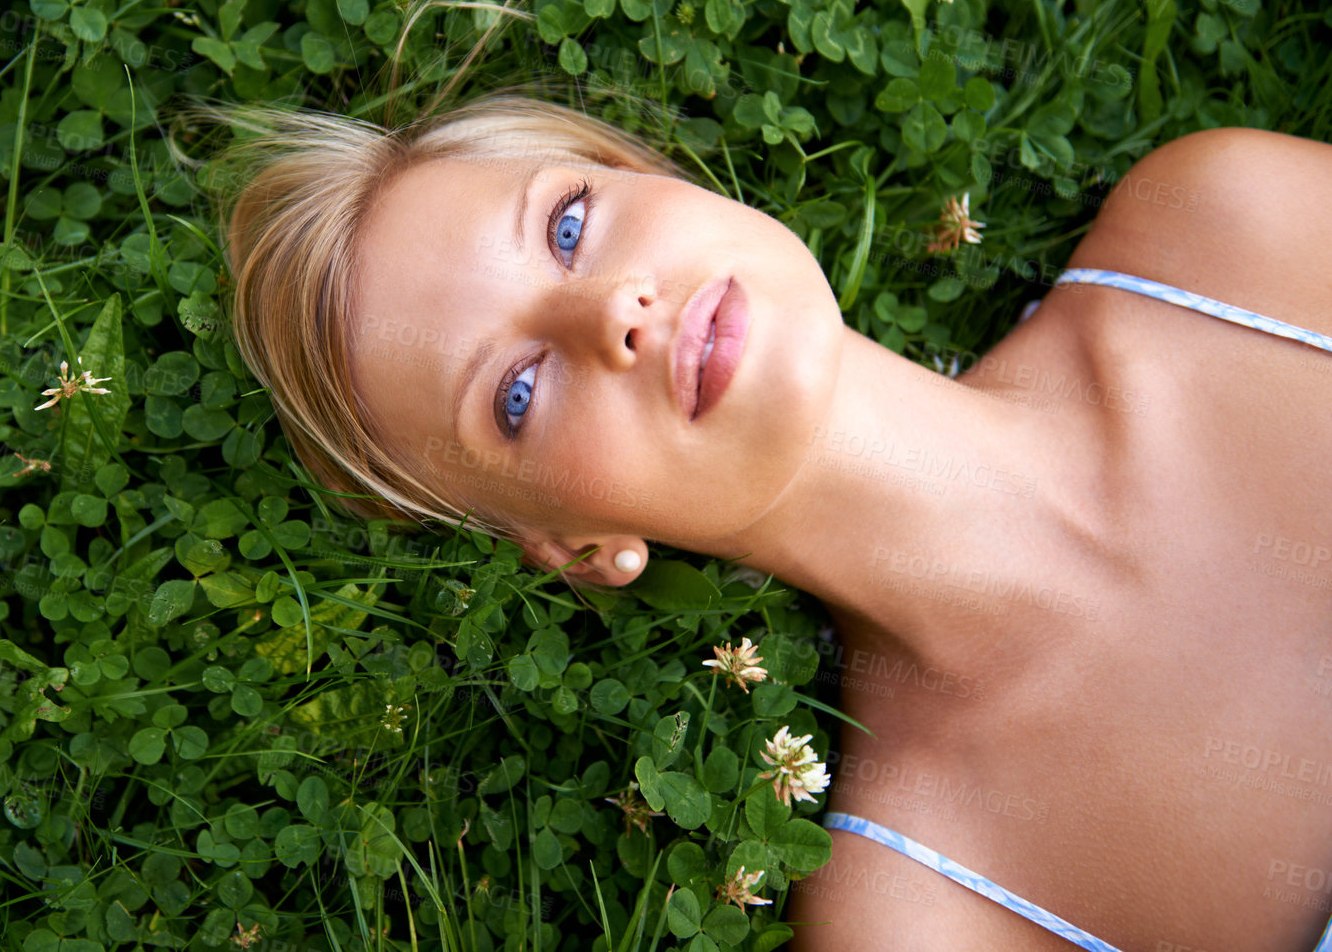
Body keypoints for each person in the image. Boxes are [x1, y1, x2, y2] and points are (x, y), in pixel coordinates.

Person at [202, 90, 1332, 951]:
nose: (611, 311)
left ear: (652, 178)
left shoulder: (1235, 238)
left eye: (567, 225)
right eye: (515, 393)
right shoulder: (926, 916)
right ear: (580, 548)